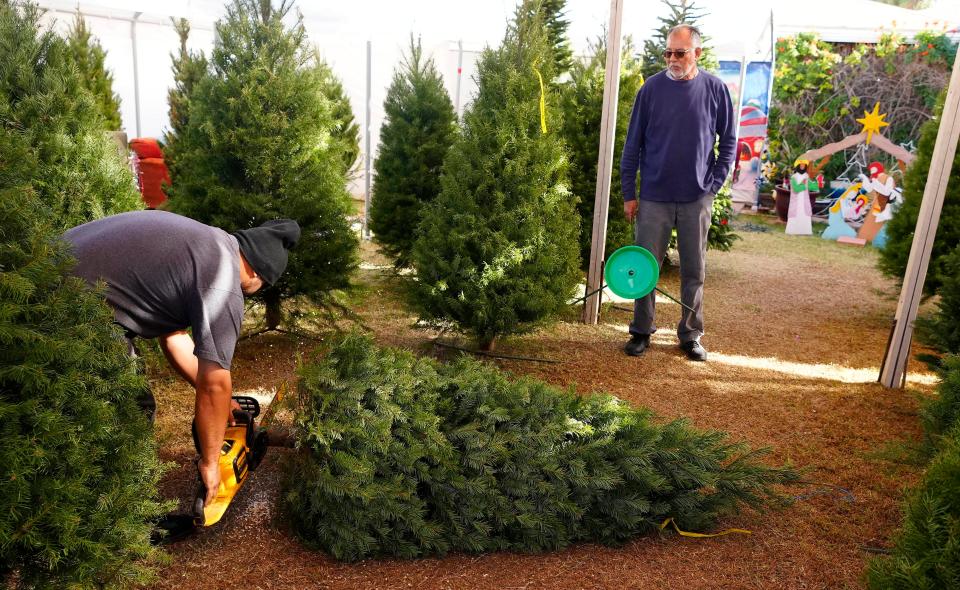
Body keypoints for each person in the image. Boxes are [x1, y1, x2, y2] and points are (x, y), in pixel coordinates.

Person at [64, 210, 300, 509]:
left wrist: (223, 401)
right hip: (72, 303)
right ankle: (116, 513)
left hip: (45, 267)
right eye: (263, 286)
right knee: (130, 409)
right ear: (257, 274)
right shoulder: (222, 281)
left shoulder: (208, 247)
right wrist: (211, 462)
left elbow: (173, 337)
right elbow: (214, 383)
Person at [620, 24, 735, 362]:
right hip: (654, 195)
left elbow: (729, 142)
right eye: (668, 52)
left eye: (679, 53)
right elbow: (632, 145)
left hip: (696, 197)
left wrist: (713, 186)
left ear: (697, 53)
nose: (672, 58)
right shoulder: (651, 90)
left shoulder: (715, 89)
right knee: (645, 268)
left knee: (693, 269)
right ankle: (641, 331)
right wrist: (630, 193)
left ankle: (690, 334)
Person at [786, 159, 815, 236]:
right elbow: (795, 189)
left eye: (804, 165)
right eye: (801, 165)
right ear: (798, 166)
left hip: (804, 199)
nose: (802, 166)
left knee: (804, 213)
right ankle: (793, 231)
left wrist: (817, 184)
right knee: (796, 213)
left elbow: (811, 186)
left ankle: (805, 231)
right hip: (796, 200)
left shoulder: (806, 176)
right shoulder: (794, 177)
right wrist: (802, 184)